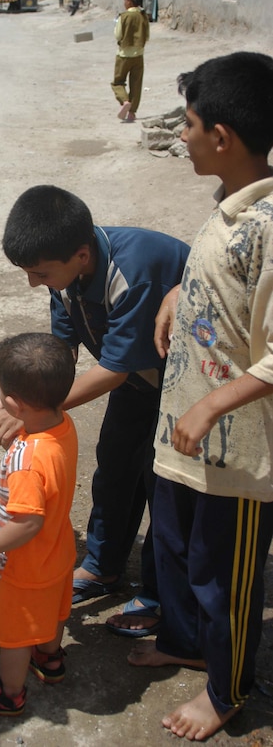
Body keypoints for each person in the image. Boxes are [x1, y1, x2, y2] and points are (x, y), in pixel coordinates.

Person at [0, 186, 190, 636]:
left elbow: (113, 371)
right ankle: (103, 566)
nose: (33, 282)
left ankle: (159, 596)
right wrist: (13, 404)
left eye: (40, 274)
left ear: (81, 255)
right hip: (142, 381)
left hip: (182, 389)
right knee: (115, 471)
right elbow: (60, 357)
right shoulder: (67, 275)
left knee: (164, 488)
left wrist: (28, 412)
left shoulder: (133, 271)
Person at [127, 51, 273, 741]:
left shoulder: (270, 225)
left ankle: (226, 689)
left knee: (225, 582)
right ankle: (184, 642)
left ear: (223, 137)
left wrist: (213, 403)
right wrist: (180, 293)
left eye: (187, 124)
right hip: (181, 440)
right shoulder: (228, 206)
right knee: (175, 556)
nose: (179, 136)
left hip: (235, 458)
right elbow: (228, 285)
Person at [0, 332, 78, 716]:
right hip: (59, 552)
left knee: (13, 632)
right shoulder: (60, 424)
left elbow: (27, 523)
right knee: (55, 611)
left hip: (25, 565)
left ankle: (9, 693)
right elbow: (28, 439)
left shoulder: (27, 462)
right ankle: (50, 659)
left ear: (14, 404)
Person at [111, 0, 149, 123]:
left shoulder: (124, 16)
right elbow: (147, 35)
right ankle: (132, 113)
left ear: (129, 1)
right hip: (138, 55)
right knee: (136, 84)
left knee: (118, 82)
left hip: (123, 55)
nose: (124, 2)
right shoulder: (143, 15)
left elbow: (118, 35)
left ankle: (125, 101)